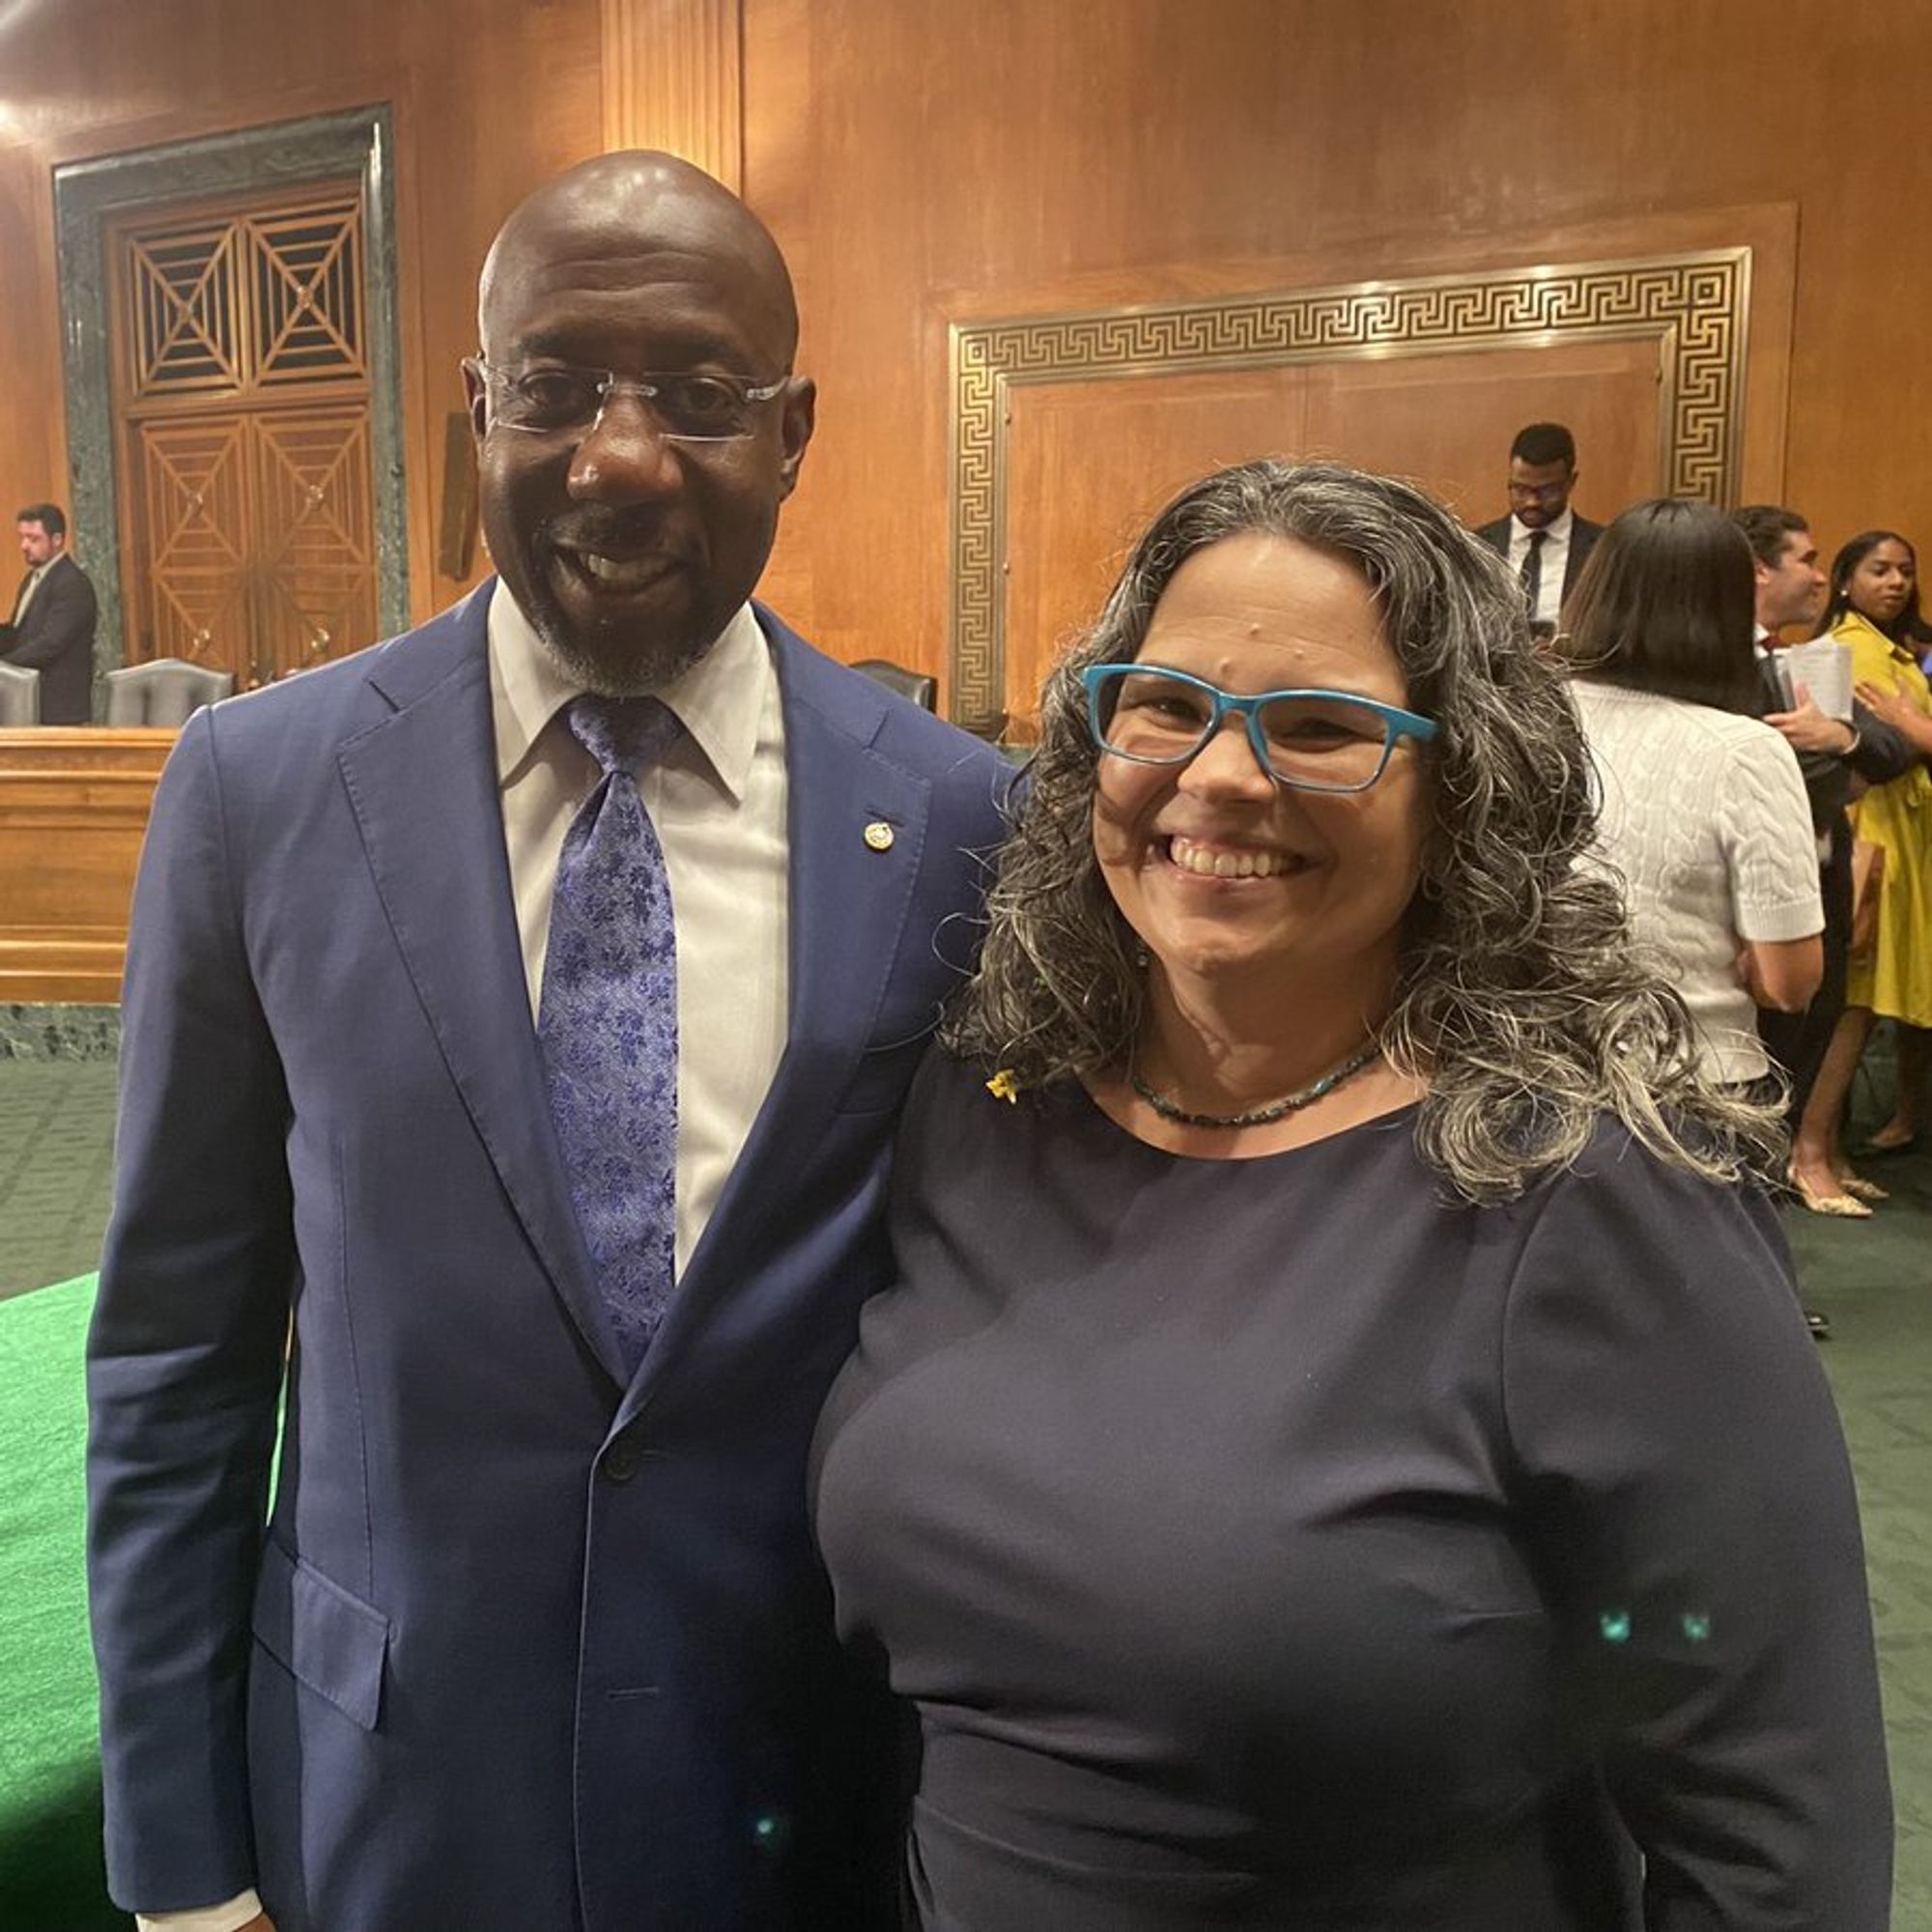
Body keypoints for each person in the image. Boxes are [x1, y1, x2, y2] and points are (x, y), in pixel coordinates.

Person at [86, 152, 1008, 1932]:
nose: (623, 455)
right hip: (385, 1791)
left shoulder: (965, 822)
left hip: (805, 1800)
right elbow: (175, 1358)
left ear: (797, 429)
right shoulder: (258, 794)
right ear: (476, 405)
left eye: (702, 395)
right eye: (558, 385)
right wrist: (181, 1866)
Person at [812, 460, 1890, 1928]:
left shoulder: (1593, 1200)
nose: (1221, 778)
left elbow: (1778, 1843)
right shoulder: (991, 1109)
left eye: (1324, 730)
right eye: (1167, 708)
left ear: (1461, 785)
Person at [1558, 500, 1823, 1092]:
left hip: (1533, 1067)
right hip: (1690, 1085)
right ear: (1727, 608)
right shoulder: (1745, 751)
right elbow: (1790, 982)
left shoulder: (1532, 716)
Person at [1732, 506, 1914, 1216]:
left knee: (1792, 1085)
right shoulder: (1713, 663)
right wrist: (1837, 758)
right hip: (1753, 918)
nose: (1818, 575)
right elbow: (1779, 783)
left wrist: (1837, 738)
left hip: (1823, 894)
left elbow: (1888, 753)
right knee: (1748, 1104)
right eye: (1806, 559)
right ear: (1759, 570)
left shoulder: (1804, 659)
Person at [1799, 529, 1932, 1182]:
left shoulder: (1901, 654)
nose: (1897, 582)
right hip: (1872, 833)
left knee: (1866, 997)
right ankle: (1815, 1148)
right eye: (1880, 569)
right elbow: (1883, 748)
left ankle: (1832, 1144)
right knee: (1853, 994)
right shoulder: (1851, 650)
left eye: (1906, 571)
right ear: (1848, 578)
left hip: (1904, 833)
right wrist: (1912, 734)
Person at [1472, 421, 1602, 638]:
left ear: (1571, 482)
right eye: (1520, 489)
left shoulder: (1602, 548)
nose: (1532, 502)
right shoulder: (1475, 546)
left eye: (1546, 490)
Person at [1, 501, 98, 723]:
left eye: (33, 539)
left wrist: (4, 666)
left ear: (57, 539)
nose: (24, 545)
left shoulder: (73, 584)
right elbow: (19, 633)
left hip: (59, 708)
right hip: (30, 700)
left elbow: (50, 643)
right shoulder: (32, 579)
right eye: (22, 537)